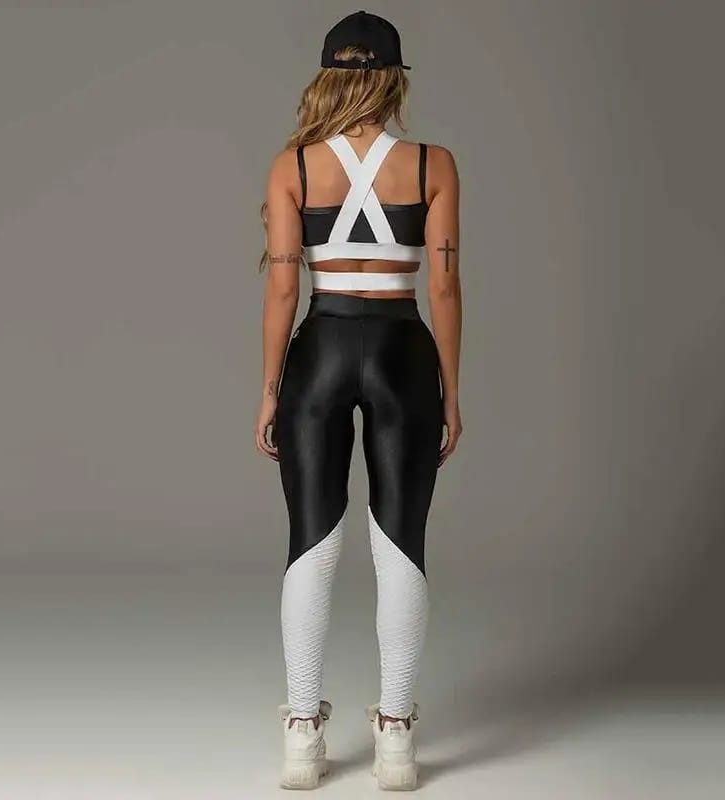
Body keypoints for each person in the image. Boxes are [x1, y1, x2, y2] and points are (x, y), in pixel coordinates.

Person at [255, 10, 462, 791]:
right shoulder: (433, 163)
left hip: (322, 347)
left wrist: (270, 390)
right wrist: (451, 388)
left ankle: (302, 737)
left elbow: (283, 289)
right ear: (395, 79)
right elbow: (444, 285)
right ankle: (397, 740)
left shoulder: (294, 167)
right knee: (400, 540)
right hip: (403, 348)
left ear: (328, 77)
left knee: (311, 538)